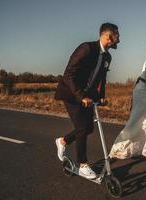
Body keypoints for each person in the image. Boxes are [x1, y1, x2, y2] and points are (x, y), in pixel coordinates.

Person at [54, 23, 120, 179]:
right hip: (71, 93)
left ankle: (63, 141)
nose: (119, 39)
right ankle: (83, 164)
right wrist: (80, 96)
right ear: (108, 36)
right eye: (117, 35)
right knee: (82, 127)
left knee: (88, 128)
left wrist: (101, 96)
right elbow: (68, 74)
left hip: (87, 96)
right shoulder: (86, 48)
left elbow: (102, 78)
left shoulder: (108, 56)